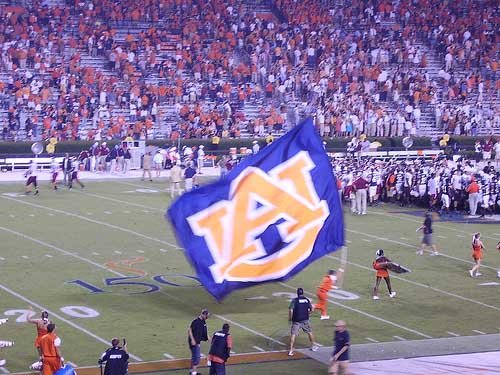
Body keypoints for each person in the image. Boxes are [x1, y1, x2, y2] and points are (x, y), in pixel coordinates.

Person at [288, 287, 318, 356]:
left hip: (296, 320)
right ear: (303, 293)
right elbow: (312, 309)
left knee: (293, 334)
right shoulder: (307, 300)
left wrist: (290, 318)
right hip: (305, 320)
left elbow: (291, 310)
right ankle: (313, 346)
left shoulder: (295, 300)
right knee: (309, 332)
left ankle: (291, 350)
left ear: (297, 293)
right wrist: (308, 314)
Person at [188, 309, 209, 375]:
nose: (207, 317)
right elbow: (189, 330)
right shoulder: (196, 321)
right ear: (203, 314)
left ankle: (192, 371)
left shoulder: (203, 321)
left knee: (194, 356)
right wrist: (192, 340)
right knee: (196, 358)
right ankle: (194, 373)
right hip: (194, 342)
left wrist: (207, 337)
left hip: (197, 341)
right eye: (206, 316)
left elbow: (203, 330)